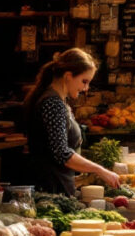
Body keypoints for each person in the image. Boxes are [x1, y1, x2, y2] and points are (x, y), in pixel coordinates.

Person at [23, 49, 120, 194]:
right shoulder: (52, 103)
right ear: (68, 76)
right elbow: (62, 154)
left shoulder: (58, 101)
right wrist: (99, 170)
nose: (86, 88)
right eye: (84, 81)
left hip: (55, 186)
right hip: (51, 191)